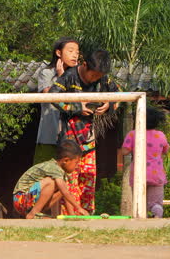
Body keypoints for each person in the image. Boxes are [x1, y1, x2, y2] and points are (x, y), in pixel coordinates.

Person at [48, 49, 120, 214]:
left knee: (88, 178)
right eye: (93, 75)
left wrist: (109, 104)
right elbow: (52, 97)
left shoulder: (104, 79)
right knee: (70, 179)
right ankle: (70, 216)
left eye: (98, 76)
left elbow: (119, 96)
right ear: (85, 65)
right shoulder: (69, 76)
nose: (96, 79)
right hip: (69, 140)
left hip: (88, 140)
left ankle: (87, 215)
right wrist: (76, 107)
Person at [13, 140, 89, 219]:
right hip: (20, 200)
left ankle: (53, 216)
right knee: (52, 183)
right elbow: (65, 192)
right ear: (65, 160)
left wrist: (73, 216)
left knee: (61, 189)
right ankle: (33, 214)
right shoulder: (53, 168)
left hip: (28, 202)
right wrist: (79, 208)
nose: (77, 166)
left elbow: (65, 193)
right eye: (76, 163)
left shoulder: (61, 173)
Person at [33, 37, 80, 165]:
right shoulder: (46, 73)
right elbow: (49, 96)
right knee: (44, 173)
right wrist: (61, 77)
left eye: (77, 52)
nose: (75, 55)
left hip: (71, 135)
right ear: (59, 53)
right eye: (71, 51)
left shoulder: (78, 76)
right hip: (49, 134)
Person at [121, 107, 169, 218]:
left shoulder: (133, 134)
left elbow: (124, 151)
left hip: (138, 173)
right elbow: (166, 150)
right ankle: (157, 215)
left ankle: (140, 221)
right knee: (155, 203)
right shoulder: (161, 135)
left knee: (139, 203)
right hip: (156, 174)